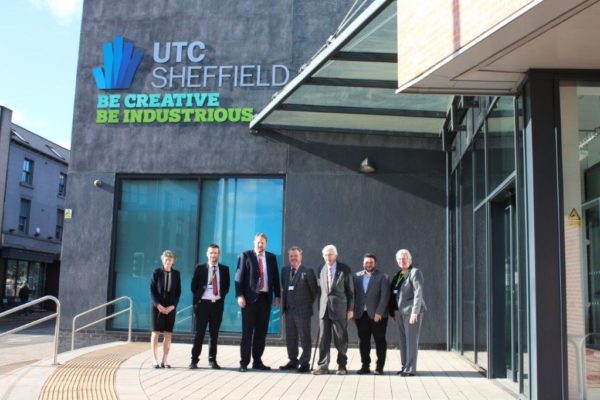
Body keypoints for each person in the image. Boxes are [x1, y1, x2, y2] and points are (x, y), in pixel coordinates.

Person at [235, 233, 281, 372]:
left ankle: (257, 361)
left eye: (263, 242)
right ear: (254, 242)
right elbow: (239, 278)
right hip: (249, 300)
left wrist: (277, 295)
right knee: (247, 332)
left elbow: (275, 278)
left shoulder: (271, 258)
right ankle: (244, 362)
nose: (260, 244)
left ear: (266, 244)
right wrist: (239, 296)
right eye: (258, 242)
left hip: (265, 299)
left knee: (261, 332)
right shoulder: (245, 255)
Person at [313, 244, 354, 375]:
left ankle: (342, 365)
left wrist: (350, 309)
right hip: (324, 309)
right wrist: (320, 308)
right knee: (324, 338)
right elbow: (320, 291)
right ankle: (323, 366)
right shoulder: (321, 268)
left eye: (330, 254)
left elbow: (351, 292)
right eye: (325, 254)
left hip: (340, 309)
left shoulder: (345, 269)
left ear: (336, 255)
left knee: (340, 338)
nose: (328, 257)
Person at [189, 244, 230, 370]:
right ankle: (194, 360)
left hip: (217, 305)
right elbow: (193, 286)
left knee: (214, 334)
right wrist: (202, 293)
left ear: (219, 254)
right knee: (199, 333)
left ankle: (212, 360)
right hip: (203, 305)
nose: (213, 255)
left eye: (216, 253)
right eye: (211, 253)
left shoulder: (224, 269)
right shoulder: (200, 268)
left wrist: (219, 297)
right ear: (207, 254)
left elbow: (226, 287)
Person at [279, 246, 318, 373]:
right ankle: (293, 361)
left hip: (303, 311)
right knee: (291, 337)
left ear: (301, 257)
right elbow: (285, 288)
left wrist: (305, 305)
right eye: (291, 256)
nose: (293, 258)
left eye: (295, 256)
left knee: (304, 337)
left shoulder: (308, 271)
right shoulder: (284, 271)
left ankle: (305, 362)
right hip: (289, 310)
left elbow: (314, 292)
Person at [389, 249, 427, 376]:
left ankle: (410, 369)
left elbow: (418, 293)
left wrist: (415, 312)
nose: (402, 260)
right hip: (399, 313)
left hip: (411, 312)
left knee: (411, 340)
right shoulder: (398, 274)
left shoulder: (415, 272)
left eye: (404, 258)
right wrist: (393, 312)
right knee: (403, 340)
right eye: (399, 259)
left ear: (409, 259)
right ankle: (405, 366)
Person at [353, 253, 390, 375]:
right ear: (363, 264)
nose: (368, 264)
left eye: (371, 262)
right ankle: (365, 365)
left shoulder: (382, 277)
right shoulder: (356, 277)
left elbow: (385, 296)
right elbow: (353, 295)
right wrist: (353, 312)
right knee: (363, 341)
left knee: (379, 340)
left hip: (377, 316)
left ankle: (379, 367)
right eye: (366, 262)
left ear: (375, 264)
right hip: (361, 315)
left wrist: (379, 312)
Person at [150, 250, 181, 369]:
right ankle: (155, 359)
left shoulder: (177, 274)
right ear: (162, 260)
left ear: (173, 261)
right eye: (166, 259)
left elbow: (178, 292)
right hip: (157, 306)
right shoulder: (156, 272)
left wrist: (173, 306)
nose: (168, 261)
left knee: (168, 333)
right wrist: (158, 305)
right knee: (155, 332)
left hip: (170, 307)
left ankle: (164, 360)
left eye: (170, 259)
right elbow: (152, 290)